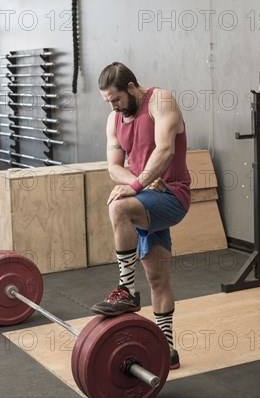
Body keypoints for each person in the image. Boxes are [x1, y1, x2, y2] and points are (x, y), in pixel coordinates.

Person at [91, 62, 191, 369]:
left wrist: (135, 184)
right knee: (158, 279)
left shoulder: (160, 101)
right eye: (109, 101)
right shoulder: (114, 119)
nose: (114, 106)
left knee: (118, 206)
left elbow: (165, 150)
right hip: (146, 198)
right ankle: (168, 351)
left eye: (117, 99)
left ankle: (126, 289)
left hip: (172, 195)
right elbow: (113, 167)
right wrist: (137, 184)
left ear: (132, 88)